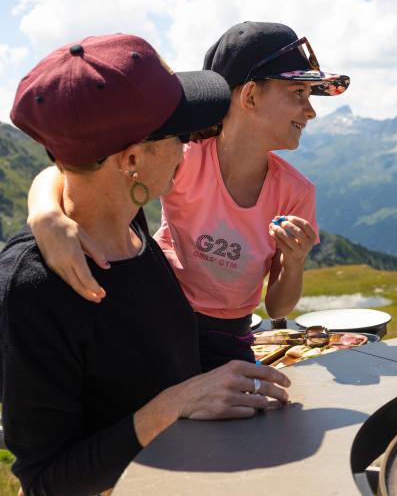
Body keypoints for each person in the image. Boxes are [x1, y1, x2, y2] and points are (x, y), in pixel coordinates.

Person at [1, 34, 291, 495]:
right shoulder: (34, 289)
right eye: (180, 136)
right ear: (133, 159)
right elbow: (46, 479)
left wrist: (45, 208)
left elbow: (78, 167)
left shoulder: (127, 219)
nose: (190, 147)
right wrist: (173, 405)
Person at [26, 22, 350, 370]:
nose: (311, 110)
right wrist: (45, 214)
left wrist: (296, 261)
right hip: (159, 321)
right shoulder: (183, 155)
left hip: (230, 338)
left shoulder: (296, 191)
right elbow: (78, 171)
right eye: (298, 93)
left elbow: (278, 309)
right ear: (251, 96)